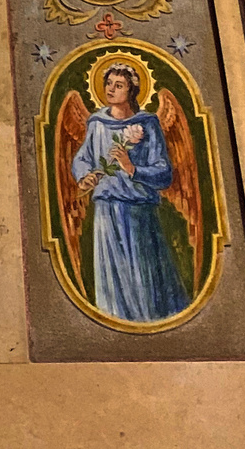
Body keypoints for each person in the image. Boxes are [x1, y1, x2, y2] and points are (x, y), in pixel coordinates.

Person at [71, 65, 188, 323]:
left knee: (141, 276)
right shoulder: (97, 122)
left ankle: (148, 325)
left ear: (132, 90)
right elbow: (82, 158)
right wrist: (84, 176)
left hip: (138, 213)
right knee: (112, 278)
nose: (111, 89)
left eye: (118, 85)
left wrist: (132, 168)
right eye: (108, 83)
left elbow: (163, 173)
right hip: (105, 211)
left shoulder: (147, 124)